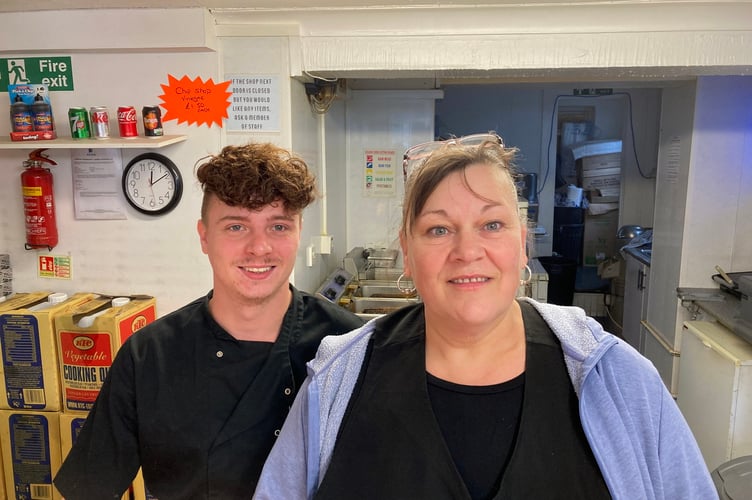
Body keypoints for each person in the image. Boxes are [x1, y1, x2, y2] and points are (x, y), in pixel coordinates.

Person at [253, 134, 717, 500]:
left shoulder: (620, 380)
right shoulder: (337, 381)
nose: (467, 251)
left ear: (522, 246)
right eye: (438, 229)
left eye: (491, 225)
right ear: (408, 256)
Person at [54, 143, 364, 499]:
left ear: (297, 232)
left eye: (278, 226)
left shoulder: (347, 346)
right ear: (204, 236)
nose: (259, 247)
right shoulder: (150, 356)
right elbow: (89, 488)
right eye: (236, 227)